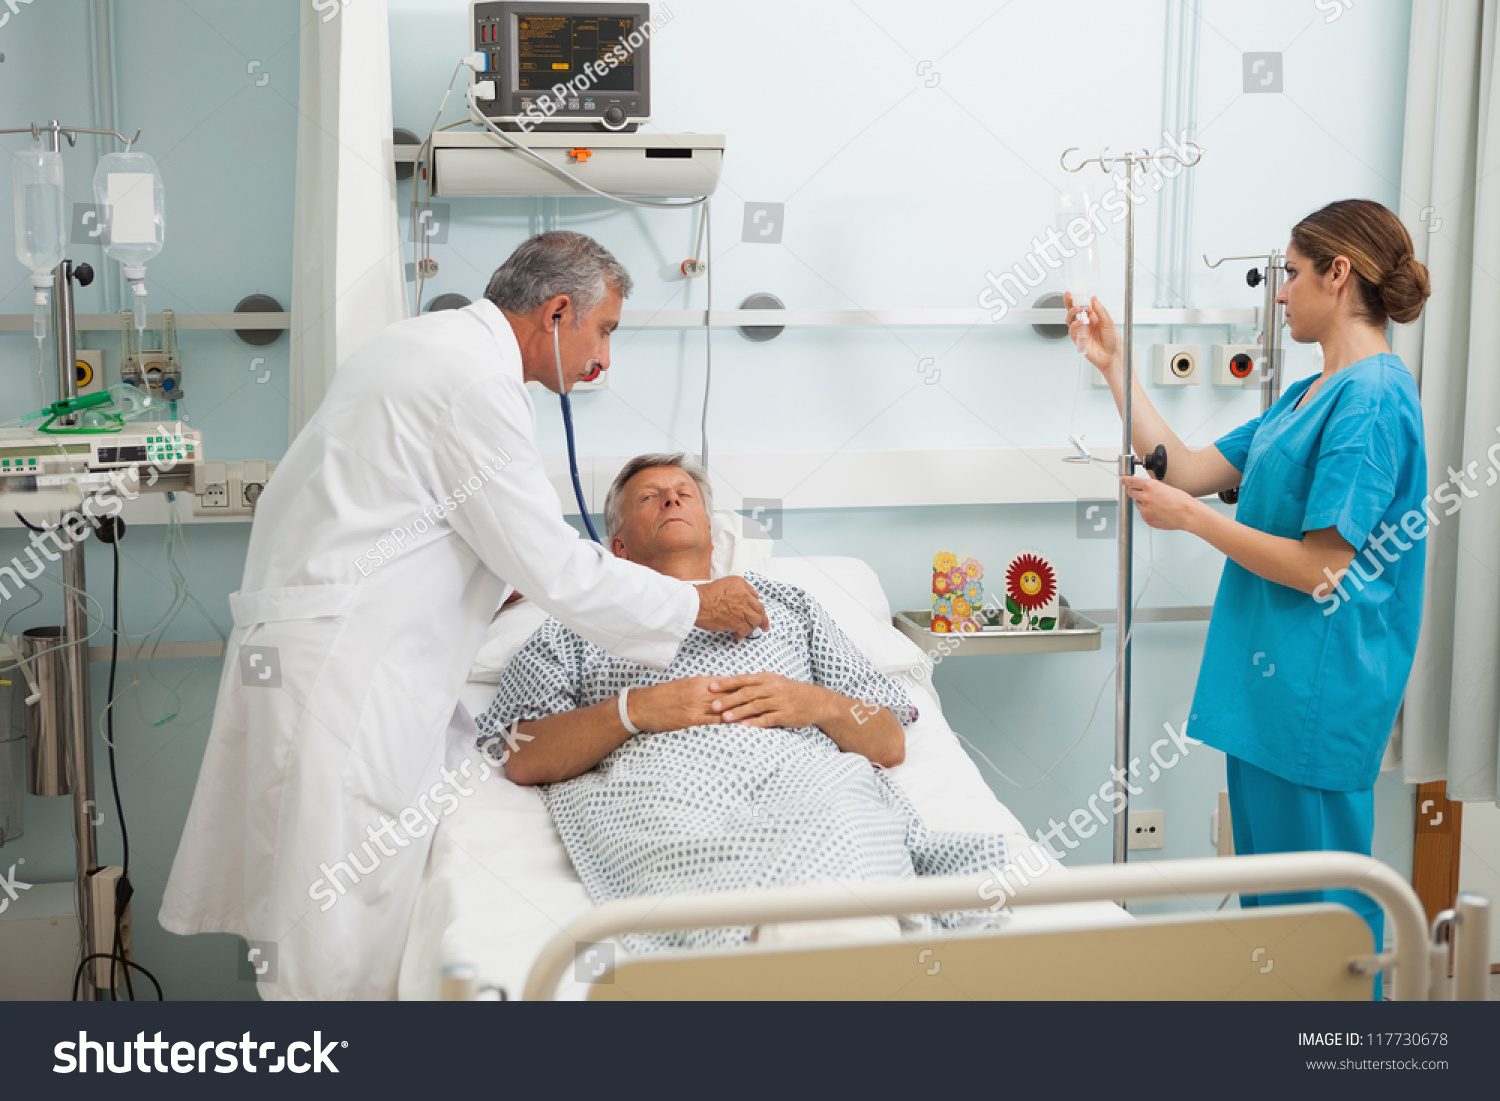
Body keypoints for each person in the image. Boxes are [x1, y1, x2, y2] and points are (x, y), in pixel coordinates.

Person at [160, 233, 767, 999]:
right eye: (604, 329)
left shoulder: (424, 350)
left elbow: (423, 522)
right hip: (349, 678)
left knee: (328, 916)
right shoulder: (477, 384)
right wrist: (693, 601)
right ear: (555, 312)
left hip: (337, 655)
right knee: (333, 934)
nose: (603, 358)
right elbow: (553, 564)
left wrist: (488, 578)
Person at [1067, 199, 1430, 987]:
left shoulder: (1371, 402)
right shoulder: (1309, 395)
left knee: (1325, 932)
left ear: (1338, 276)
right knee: (1278, 925)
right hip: (1269, 697)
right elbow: (1188, 465)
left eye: (1291, 274)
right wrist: (1112, 364)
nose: (1279, 292)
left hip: (1318, 699)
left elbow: (1321, 567)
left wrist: (1194, 523)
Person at [478, 453, 1013, 952]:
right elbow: (521, 754)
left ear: (712, 535)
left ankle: (821, 950)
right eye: (649, 498)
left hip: (806, 783)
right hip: (663, 791)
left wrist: (816, 703)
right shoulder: (577, 625)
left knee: (846, 826)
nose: (670, 500)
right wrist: (634, 711)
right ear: (618, 549)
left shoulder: (788, 605)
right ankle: (794, 954)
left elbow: (889, 743)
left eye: (684, 493)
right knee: (697, 860)